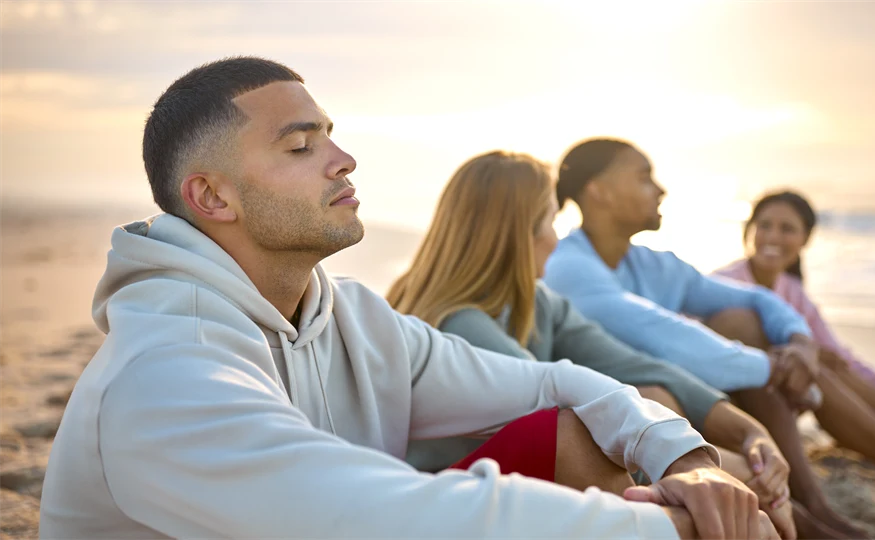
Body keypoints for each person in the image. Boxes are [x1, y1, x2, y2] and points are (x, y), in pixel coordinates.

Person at [38, 58, 775, 540]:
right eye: (301, 148)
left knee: (580, 429)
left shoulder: (354, 318)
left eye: (331, 136)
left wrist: (686, 460)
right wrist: (677, 528)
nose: (343, 159)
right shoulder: (166, 373)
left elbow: (555, 382)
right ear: (211, 196)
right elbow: (391, 516)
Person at [387, 150, 799, 539]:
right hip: (457, 503)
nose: (556, 238)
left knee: (657, 398)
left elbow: (638, 365)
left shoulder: (539, 303)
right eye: (551, 221)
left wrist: (750, 433)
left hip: (529, 488)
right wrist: (710, 474)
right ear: (519, 235)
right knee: (590, 429)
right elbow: (567, 421)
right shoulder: (461, 322)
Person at [543, 137, 867, 539]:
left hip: (681, 400)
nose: (659, 189)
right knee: (689, 377)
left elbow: (753, 297)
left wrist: (799, 340)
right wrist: (772, 366)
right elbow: (664, 337)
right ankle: (807, 507)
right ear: (599, 191)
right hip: (626, 421)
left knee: (744, 321)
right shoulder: (568, 267)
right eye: (644, 178)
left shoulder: (653, 264)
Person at [714, 190, 875, 487]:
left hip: (780, 397)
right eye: (764, 225)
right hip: (733, 403)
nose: (772, 236)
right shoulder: (723, 284)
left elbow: (845, 360)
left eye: (787, 228)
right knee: (817, 369)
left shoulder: (791, 288)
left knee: (834, 365)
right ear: (749, 230)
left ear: (805, 239)